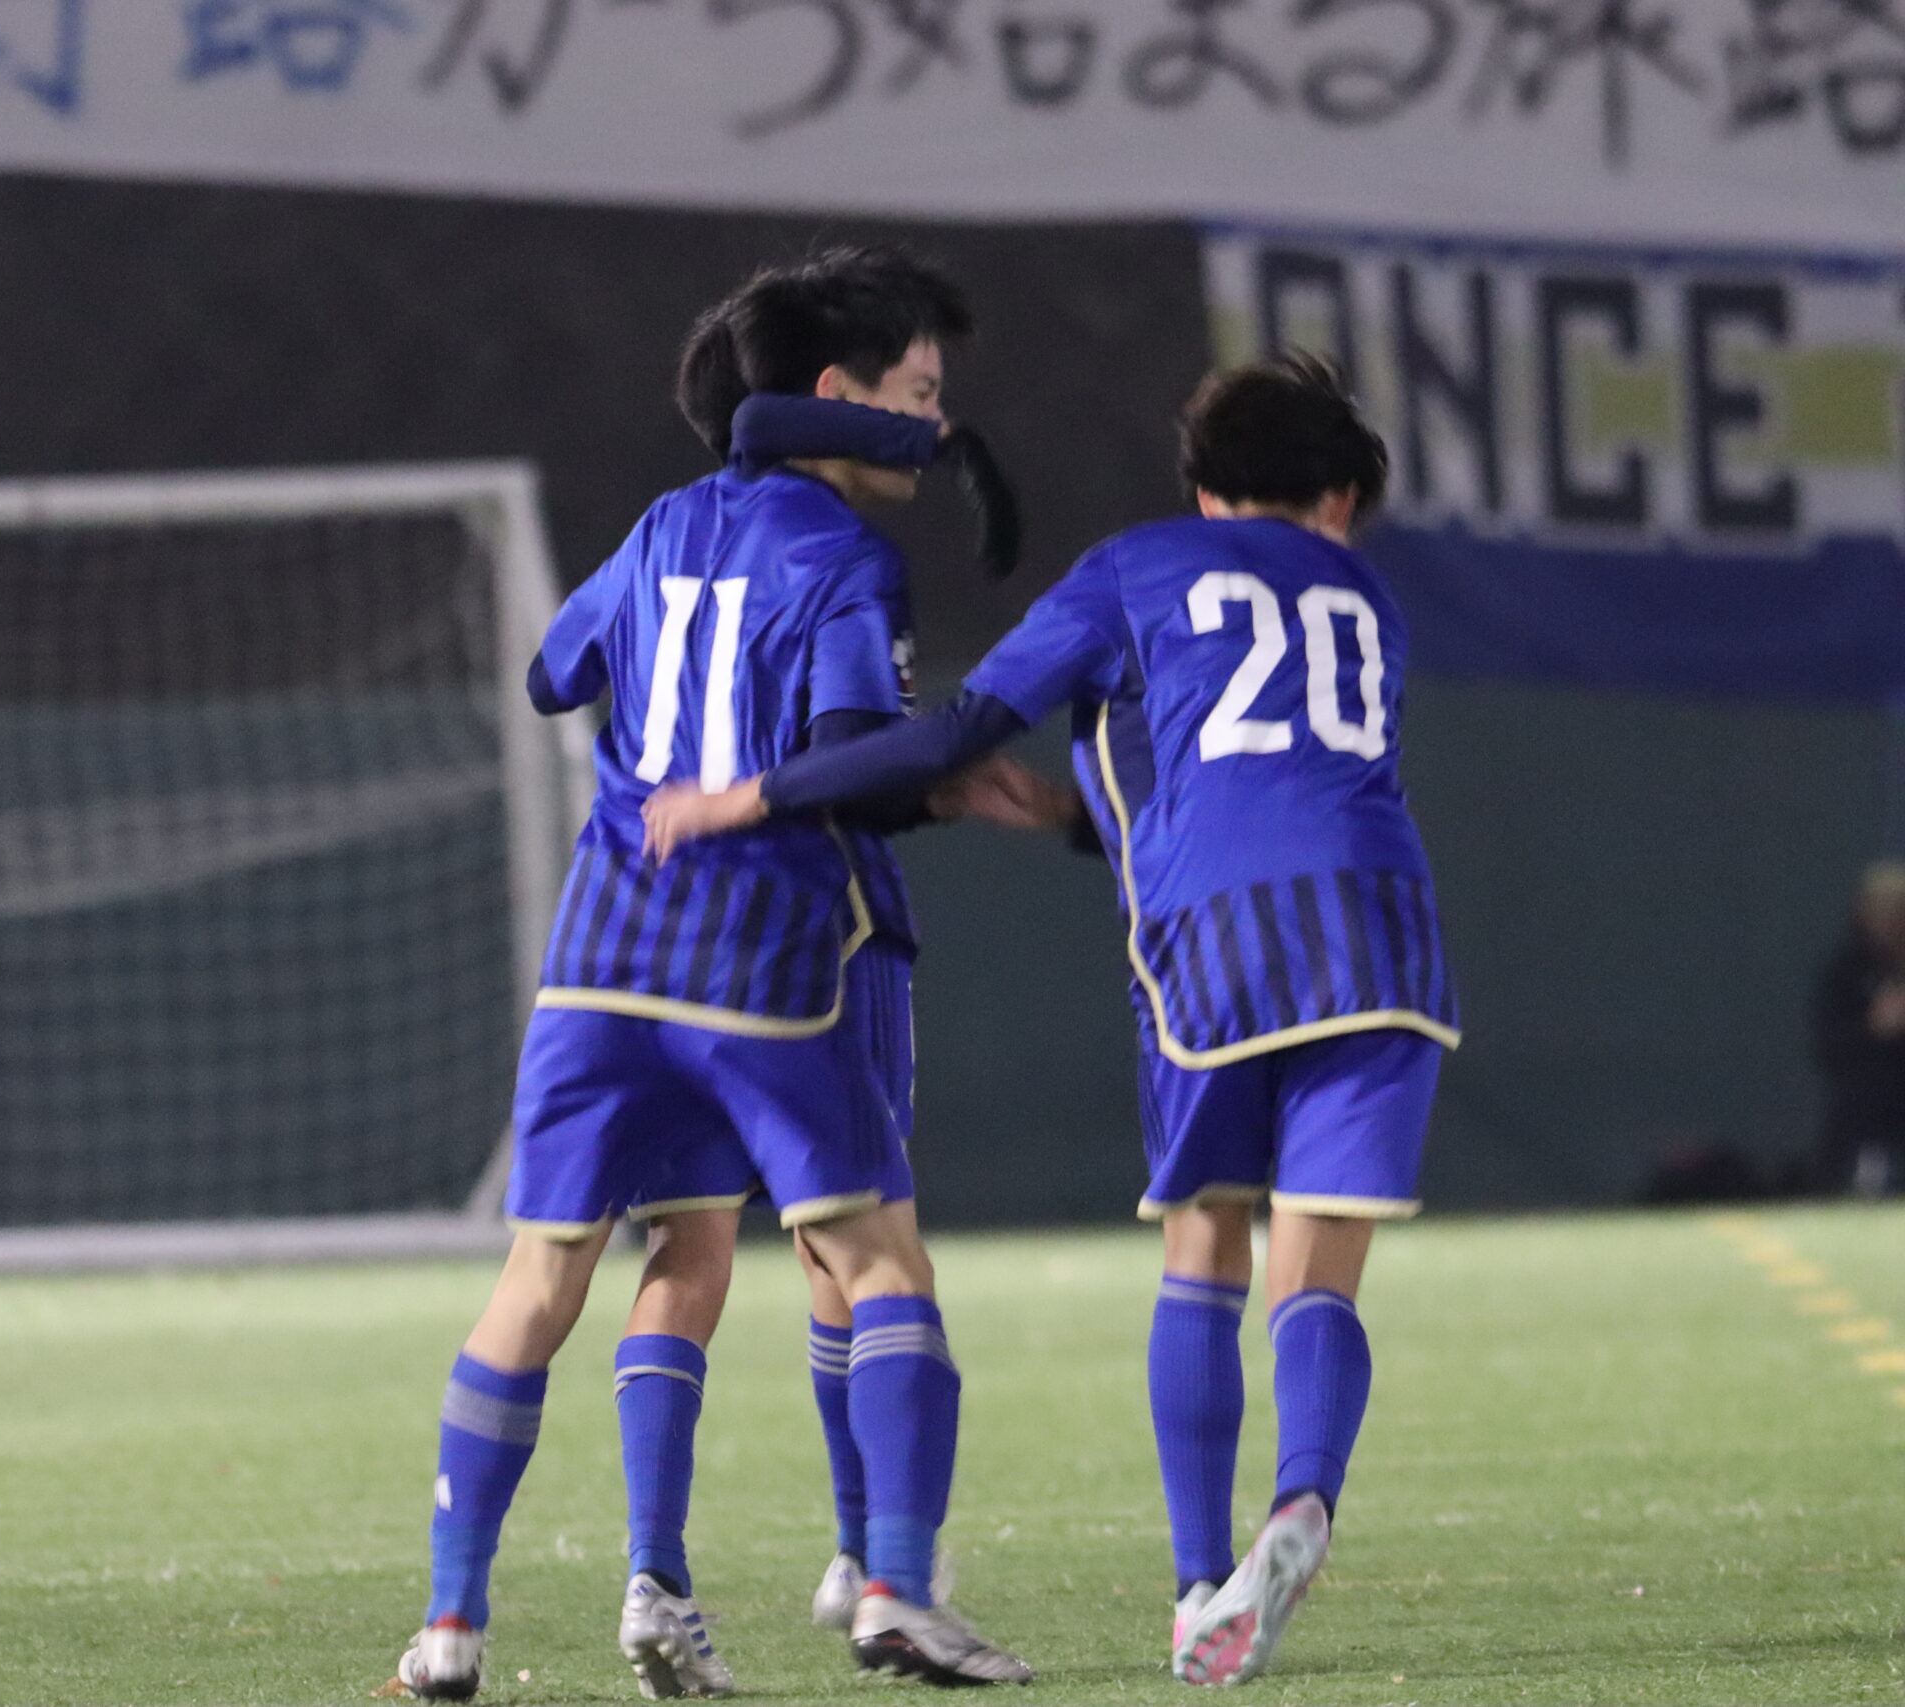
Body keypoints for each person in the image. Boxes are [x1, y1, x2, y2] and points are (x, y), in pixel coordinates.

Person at [645, 354, 1461, 1688]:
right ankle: (1304, 1496)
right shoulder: (1364, 594)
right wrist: (1084, 816)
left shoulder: (1138, 568)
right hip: (1385, 930)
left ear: (1205, 489)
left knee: (1205, 1241)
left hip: (1217, 937)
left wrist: (752, 795)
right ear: (1334, 502)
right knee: (1318, 1273)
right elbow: (1269, 770)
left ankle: (1198, 1585)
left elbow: (955, 731)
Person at [395, 246, 1036, 1702]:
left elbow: (553, 674)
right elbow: (847, 759)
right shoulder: (844, 557)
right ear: (839, 397)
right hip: (760, 956)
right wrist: (941, 772)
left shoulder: (663, 523)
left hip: (603, 957)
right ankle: (894, 1585)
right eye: (916, 395)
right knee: (877, 1263)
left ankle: (451, 1626)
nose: (935, 426)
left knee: (544, 1278)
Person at [1811, 860, 1905, 1197]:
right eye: (1881, 910)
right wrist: (1874, 1026)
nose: (1890, 920)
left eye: (1897, 909)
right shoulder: (1846, 972)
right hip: (1867, 1106)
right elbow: (1829, 1047)